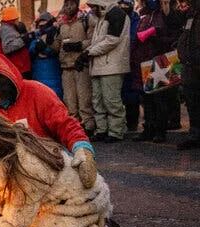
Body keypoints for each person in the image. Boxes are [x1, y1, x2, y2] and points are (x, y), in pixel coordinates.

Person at [0, 52, 97, 199]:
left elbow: (65, 124)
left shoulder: (38, 93)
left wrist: (82, 149)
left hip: (47, 165)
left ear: (1, 83)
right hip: (13, 176)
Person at [131, 0, 184, 142]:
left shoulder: (168, 15)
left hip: (161, 61)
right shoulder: (145, 15)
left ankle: (160, 130)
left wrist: (155, 34)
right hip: (144, 61)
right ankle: (149, 128)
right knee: (147, 98)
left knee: (160, 98)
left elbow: (173, 37)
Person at [79, 0, 130, 143]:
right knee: (98, 100)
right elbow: (101, 41)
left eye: (93, 6)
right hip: (101, 64)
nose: (91, 9)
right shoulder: (104, 16)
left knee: (111, 100)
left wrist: (89, 52)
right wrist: (88, 52)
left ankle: (116, 131)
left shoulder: (116, 14)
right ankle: (102, 129)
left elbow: (112, 41)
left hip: (111, 65)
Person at [52, 0, 97, 135]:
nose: (68, 7)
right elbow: (56, 46)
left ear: (76, 5)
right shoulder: (62, 25)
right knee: (69, 100)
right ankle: (74, 126)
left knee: (84, 98)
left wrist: (79, 46)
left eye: (71, 4)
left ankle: (88, 125)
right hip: (66, 67)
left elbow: (93, 40)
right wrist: (50, 37)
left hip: (81, 65)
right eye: (66, 4)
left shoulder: (85, 20)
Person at [177, 0, 200, 149]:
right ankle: (195, 134)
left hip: (196, 64)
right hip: (189, 66)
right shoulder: (191, 14)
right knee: (192, 103)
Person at [118, 0, 142, 133]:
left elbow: (134, 38)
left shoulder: (136, 19)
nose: (123, 7)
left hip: (132, 61)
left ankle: (132, 123)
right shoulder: (117, 18)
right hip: (120, 60)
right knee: (121, 93)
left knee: (132, 93)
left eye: (125, 5)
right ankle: (124, 123)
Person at [29, 12, 63, 98]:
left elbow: (57, 49)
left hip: (53, 70)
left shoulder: (56, 35)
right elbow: (31, 50)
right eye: (40, 25)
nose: (42, 27)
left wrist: (44, 49)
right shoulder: (36, 37)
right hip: (40, 72)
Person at [0, 7, 32, 78]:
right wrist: (23, 40)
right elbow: (7, 48)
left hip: (20, 67)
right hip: (19, 67)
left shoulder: (10, 27)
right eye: (17, 18)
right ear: (12, 19)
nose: (18, 20)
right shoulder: (6, 29)